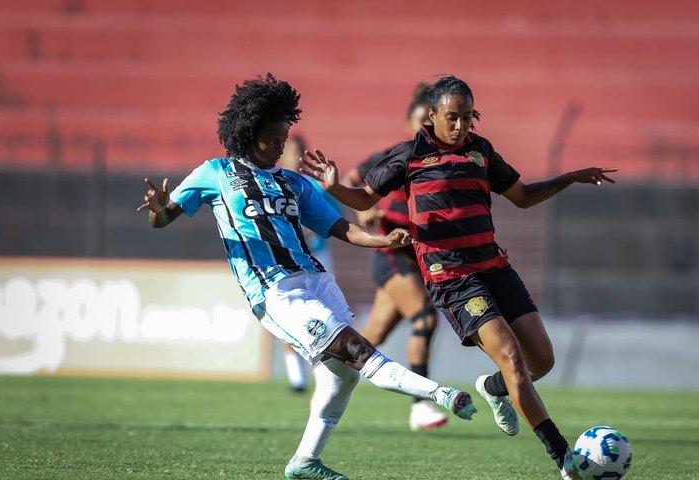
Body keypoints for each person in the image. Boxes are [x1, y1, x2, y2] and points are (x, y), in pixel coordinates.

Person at [136, 73, 477, 480]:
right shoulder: (215, 173)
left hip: (316, 281)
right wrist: (158, 207)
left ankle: (304, 463)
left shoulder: (294, 182)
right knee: (356, 350)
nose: (282, 146)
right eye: (274, 139)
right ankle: (440, 395)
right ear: (250, 134)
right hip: (275, 292)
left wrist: (382, 239)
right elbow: (163, 219)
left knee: (343, 377)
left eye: (285, 137)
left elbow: (340, 228)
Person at [302, 75, 617, 480]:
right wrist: (334, 187)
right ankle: (564, 458)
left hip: (495, 266)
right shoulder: (409, 154)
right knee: (511, 357)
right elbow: (364, 198)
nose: (461, 126)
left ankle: (495, 389)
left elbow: (522, 197)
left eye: (468, 117)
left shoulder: (480, 151)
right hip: (451, 277)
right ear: (432, 115)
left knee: (544, 359)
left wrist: (568, 177)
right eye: (452, 117)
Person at [340, 83, 448, 431]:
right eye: (418, 123)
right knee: (425, 318)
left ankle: (328, 377)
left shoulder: (447, 162)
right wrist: (364, 213)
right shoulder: (393, 155)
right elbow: (351, 180)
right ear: (408, 124)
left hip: (420, 258)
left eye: (428, 124)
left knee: (370, 338)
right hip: (391, 253)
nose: (423, 130)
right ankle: (421, 405)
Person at [278, 134, 340, 394]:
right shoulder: (272, 185)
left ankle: (324, 375)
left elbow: (334, 219)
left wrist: (315, 229)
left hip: (318, 259)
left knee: (326, 315)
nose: (296, 155)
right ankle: (297, 379)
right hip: (286, 261)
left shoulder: (313, 186)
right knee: (289, 318)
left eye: (300, 150)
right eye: (291, 150)